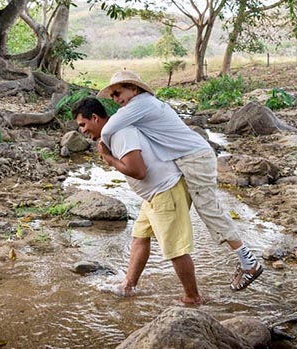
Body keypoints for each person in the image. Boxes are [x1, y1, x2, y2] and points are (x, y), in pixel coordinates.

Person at [96, 70, 263, 291]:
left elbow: (107, 129)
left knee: (209, 209)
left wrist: (106, 152)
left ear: (134, 88)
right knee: (203, 211)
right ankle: (129, 284)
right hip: (189, 159)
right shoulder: (144, 107)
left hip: (195, 158)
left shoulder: (141, 103)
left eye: (118, 93)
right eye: (113, 97)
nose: (116, 100)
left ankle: (248, 262)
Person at [72, 97, 203, 305]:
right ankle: (128, 286)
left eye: (83, 124)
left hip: (166, 191)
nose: (82, 131)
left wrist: (109, 159)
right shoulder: (114, 133)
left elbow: (138, 171)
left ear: (95, 118)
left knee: (175, 249)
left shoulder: (120, 134)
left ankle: (192, 297)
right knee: (139, 237)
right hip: (154, 194)